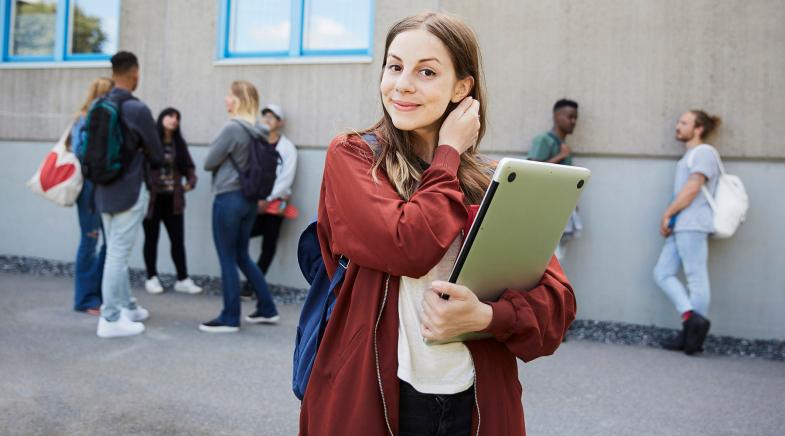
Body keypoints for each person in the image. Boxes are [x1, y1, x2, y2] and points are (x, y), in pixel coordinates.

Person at [299, 12, 575, 436]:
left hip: (476, 402)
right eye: (395, 66)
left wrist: (486, 317)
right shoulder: (353, 157)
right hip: (375, 397)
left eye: (426, 71)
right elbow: (407, 247)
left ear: (462, 88)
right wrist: (448, 151)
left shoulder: (491, 181)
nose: (403, 83)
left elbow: (556, 307)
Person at [200, 80, 279, 333]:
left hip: (228, 197)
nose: (225, 100)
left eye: (229, 96)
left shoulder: (232, 129)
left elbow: (209, 162)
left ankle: (229, 317)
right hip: (248, 200)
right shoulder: (260, 130)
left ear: (238, 100)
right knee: (242, 255)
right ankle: (267, 307)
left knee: (227, 257)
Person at [94, 51, 164, 338]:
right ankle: (110, 319)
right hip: (129, 190)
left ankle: (127, 306)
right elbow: (157, 154)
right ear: (135, 73)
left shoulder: (99, 103)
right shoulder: (137, 109)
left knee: (113, 251)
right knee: (118, 256)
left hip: (102, 190)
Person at [653, 110, 722, 355]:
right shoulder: (691, 155)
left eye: (684, 122)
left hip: (693, 223)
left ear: (699, 128)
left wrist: (667, 214)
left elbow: (693, 187)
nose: (678, 126)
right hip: (681, 224)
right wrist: (671, 218)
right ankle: (692, 322)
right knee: (662, 273)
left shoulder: (704, 153)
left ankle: (692, 335)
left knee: (696, 278)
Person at [142, 107, 202, 295]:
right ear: (161, 118)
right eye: (170, 115)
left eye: (177, 117)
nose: (174, 120)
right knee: (151, 239)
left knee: (177, 240)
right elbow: (141, 167)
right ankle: (151, 277)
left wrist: (190, 183)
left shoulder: (179, 144)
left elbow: (190, 168)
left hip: (174, 200)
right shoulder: (150, 142)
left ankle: (182, 278)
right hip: (152, 199)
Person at [241, 103, 298, 299]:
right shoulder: (255, 142)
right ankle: (251, 280)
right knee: (243, 234)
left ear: (279, 122)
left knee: (269, 244)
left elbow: (286, 177)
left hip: (275, 202)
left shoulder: (287, 147)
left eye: (272, 117)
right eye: (264, 116)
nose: (267, 120)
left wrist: (267, 198)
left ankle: (251, 286)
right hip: (254, 201)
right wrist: (256, 197)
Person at [68, 77, 114, 315]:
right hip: (89, 187)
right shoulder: (85, 119)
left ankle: (100, 293)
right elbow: (79, 152)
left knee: (108, 242)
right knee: (90, 240)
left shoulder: (93, 118)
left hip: (102, 186)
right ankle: (86, 298)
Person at [528, 99, 582, 261]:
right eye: (569, 116)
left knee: (557, 258)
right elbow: (531, 170)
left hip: (561, 209)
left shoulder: (562, 144)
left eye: (575, 118)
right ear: (556, 116)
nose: (573, 121)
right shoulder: (544, 140)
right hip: (543, 211)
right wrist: (561, 156)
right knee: (548, 259)